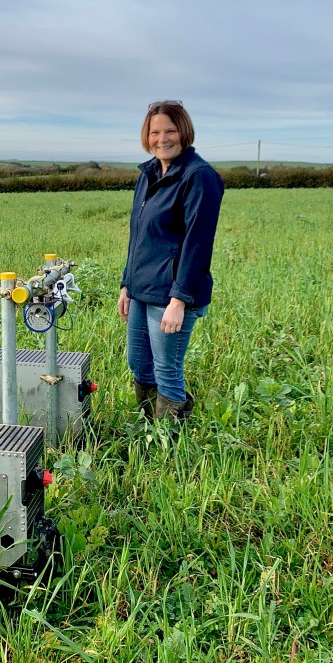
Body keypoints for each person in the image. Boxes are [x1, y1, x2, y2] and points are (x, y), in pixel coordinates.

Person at [117, 101, 224, 424]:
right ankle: (150, 426)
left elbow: (198, 244)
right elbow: (139, 235)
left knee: (167, 369)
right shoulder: (149, 173)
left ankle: (169, 440)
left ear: (184, 132)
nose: (162, 138)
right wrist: (127, 284)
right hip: (141, 289)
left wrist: (180, 299)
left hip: (172, 294)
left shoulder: (199, 177)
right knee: (138, 362)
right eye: (155, 132)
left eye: (170, 130)